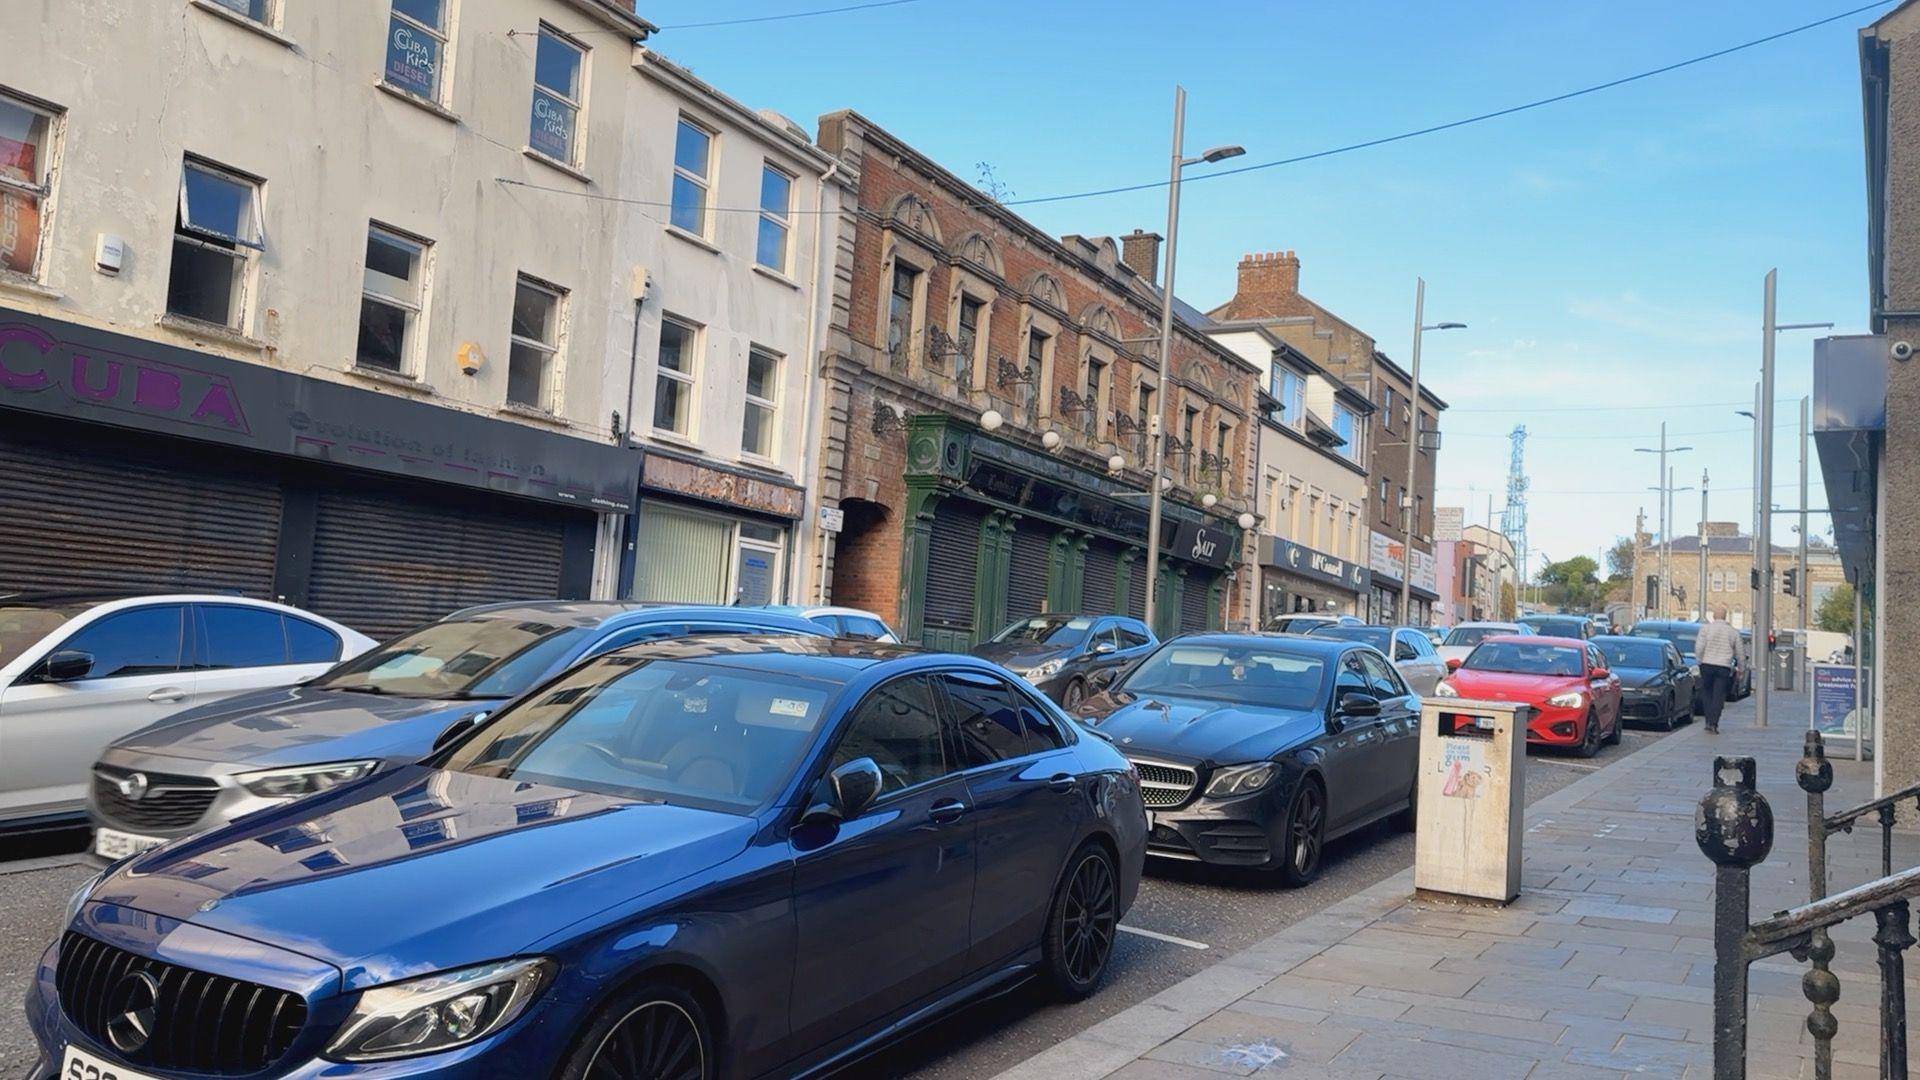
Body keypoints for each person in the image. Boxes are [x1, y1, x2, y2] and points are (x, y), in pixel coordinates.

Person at [1695, 606, 1742, 733]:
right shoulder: (1733, 632)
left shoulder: (1705, 629)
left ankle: (1708, 721)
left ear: (1714, 617)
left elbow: (1699, 647)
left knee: (1707, 693)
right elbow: (1740, 652)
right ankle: (1714, 722)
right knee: (1719, 695)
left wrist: (1699, 661)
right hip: (1723, 666)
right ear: (1725, 617)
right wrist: (1741, 669)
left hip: (1707, 664)